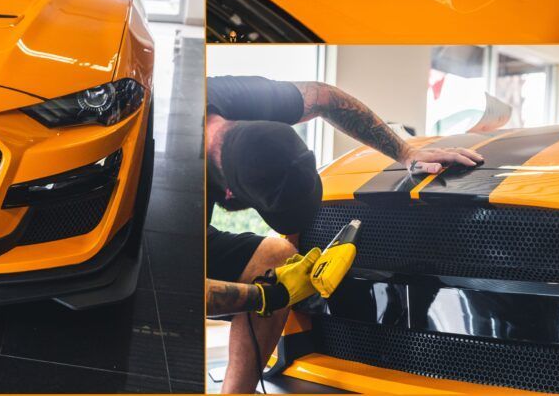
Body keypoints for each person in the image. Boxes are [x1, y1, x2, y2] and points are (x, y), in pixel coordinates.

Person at [205, 76, 483, 394]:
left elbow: (325, 97)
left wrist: (407, 153)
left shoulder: (232, 96)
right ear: (229, 194)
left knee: (276, 258)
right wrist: (270, 296)